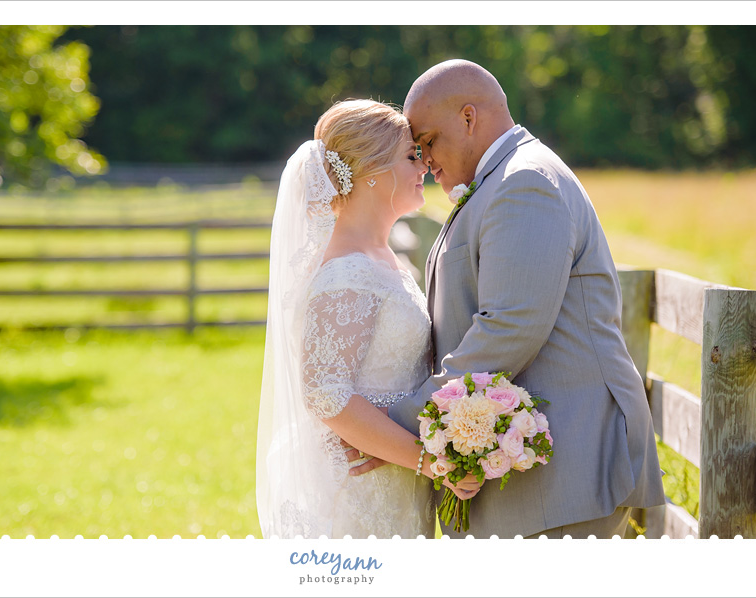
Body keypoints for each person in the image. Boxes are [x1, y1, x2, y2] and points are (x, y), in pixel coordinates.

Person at [355, 59, 666, 538]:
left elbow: (508, 327)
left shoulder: (525, 182)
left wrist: (395, 424)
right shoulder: (500, 179)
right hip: (537, 474)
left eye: (429, 141)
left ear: (468, 117)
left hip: (570, 469)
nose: (424, 158)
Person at [255, 99, 480, 539]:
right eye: (411, 155)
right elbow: (325, 394)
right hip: (358, 494)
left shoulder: (384, 258)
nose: (425, 165)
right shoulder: (346, 274)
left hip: (393, 477)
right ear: (371, 172)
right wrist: (430, 461)